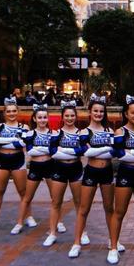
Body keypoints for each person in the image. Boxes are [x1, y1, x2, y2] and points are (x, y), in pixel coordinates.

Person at [68, 94, 123, 258]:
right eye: (96, 111)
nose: (99, 114)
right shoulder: (84, 131)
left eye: (101, 111)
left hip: (107, 172)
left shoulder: (109, 131)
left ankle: (113, 241)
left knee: (109, 208)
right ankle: (76, 243)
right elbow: (84, 152)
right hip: (91, 171)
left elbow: (114, 152)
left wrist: (95, 150)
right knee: (83, 209)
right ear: (90, 112)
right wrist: (103, 150)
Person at [108, 95, 134, 265]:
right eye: (133, 113)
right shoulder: (120, 131)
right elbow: (118, 153)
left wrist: (133, 153)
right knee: (119, 212)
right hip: (126, 173)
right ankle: (113, 247)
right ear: (126, 114)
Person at [44, 101, 88, 247]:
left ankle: (83, 232)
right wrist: (71, 152)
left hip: (75, 168)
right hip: (59, 169)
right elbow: (52, 151)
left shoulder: (81, 133)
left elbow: (84, 150)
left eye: (72, 115)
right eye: (67, 116)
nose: (69, 118)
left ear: (76, 116)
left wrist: (63, 151)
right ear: (62, 117)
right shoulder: (56, 133)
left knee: (79, 203)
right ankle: (52, 233)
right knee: (56, 202)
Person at [10, 104, 58, 235]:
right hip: (35, 167)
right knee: (27, 197)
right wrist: (45, 150)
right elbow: (30, 151)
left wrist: (41, 150)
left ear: (48, 118)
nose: (42, 120)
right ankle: (19, 223)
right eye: (40, 117)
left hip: (50, 166)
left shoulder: (54, 133)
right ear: (35, 119)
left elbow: (53, 151)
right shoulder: (30, 133)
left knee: (55, 198)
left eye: (45, 117)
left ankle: (57, 222)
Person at [0, 97, 32, 229]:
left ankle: (28, 216)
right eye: (9, 111)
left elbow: (23, 143)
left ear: (17, 112)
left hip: (18, 160)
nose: (11, 113)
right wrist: (13, 140)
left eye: (14, 111)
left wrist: (2, 141)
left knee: (23, 192)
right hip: (2, 159)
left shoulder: (24, 127)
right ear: (4, 113)